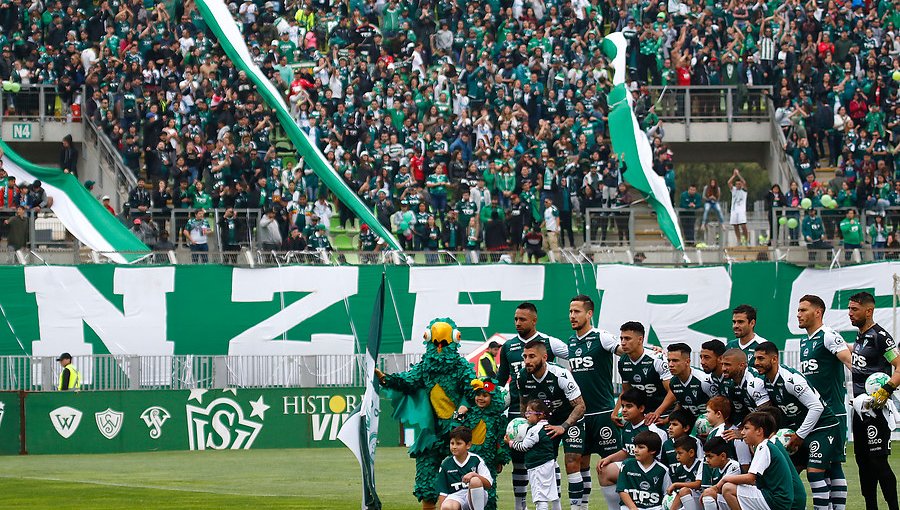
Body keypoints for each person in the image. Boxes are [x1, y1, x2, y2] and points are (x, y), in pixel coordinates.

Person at [753, 341, 844, 510]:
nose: (756, 362)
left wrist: (800, 435)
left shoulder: (790, 379)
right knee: (790, 472)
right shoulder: (765, 382)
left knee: (815, 473)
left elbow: (817, 407)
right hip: (800, 430)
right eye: (755, 358)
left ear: (774, 359)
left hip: (823, 427)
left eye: (761, 358)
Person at [567, 295, 627, 509]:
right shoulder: (571, 342)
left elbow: (624, 350)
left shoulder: (602, 337)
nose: (572, 316)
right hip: (580, 415)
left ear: (589, 313)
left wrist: (648, 351)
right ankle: (580, 507)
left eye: (577, 311)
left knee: (610, 466)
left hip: (603, 414)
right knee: (576, 462)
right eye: (571, 312)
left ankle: (623, 505)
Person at [516, 340, 585, 510]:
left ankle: (577, 508)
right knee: (548, 463)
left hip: (570, 418)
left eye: (532, 356)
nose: (527, 361)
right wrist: (525, 425)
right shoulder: (522, 376)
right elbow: (524, 405)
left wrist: (564, 426)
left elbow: (581, 406)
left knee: (571, 460)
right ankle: (557, 506)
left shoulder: (560, 375)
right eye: (525, 356)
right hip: (547, 422)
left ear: (544, 357)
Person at [847, 291, 900, 510]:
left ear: (868, 310)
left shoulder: (880, 336)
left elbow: (899, 367)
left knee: (878, 462)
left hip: (876, 410)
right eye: (849, 309)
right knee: (862, 462)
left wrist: (885, 391)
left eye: (854, 309)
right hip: (859, 409)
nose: (850, 314)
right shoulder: (860, 336)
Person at [796, 293, 852, 481]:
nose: (798, 314)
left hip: (833, 412)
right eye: (798, 310)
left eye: (803, 310)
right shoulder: (804, 341)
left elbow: (851, 362)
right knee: (821, 466)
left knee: (832, 465)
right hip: (814, 413)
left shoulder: (828, 336)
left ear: (818, 312)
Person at [597, 389, 668, 510]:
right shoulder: (627, 426)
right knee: (604, 469)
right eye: (623, 406)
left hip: (649, 471)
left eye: (629, 406)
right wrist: (608, 458)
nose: (624, 410)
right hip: (631, 466)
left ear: (641, 408)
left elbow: (660, 460)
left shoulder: (653, 430)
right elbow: (626, 451)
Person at [717, 412, 797, 510]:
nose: (742, 433)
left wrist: (725, 479)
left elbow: (750, 478)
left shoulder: (764, 447)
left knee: (728, 488)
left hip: (776, 500)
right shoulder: (765, 446)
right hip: (777, 498)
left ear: (759, 431)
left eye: (746, 428)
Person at [614, 322, 675, 426]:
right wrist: (615, 412)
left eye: (627, 339)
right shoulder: (623, 361)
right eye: (621, 339)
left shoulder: (657, 359)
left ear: (640, 340)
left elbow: (672, 392)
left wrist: (657, 413)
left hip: (663, 414)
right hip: (642, 414)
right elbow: (626, 391)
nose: (623, 343)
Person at [509, 400, 560, 510]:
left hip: (538, 467)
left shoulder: (534, 430)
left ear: (540, 414)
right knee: (552, 494)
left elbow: (524, 446)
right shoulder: (547, 427)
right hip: (549, 464)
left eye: (529, 412)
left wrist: (510, 442)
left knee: (540, 497)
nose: (526, 416)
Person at [436, 426, 492, 510]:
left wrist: (474, 474)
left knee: (475, 480)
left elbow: (488, 484)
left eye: (458, 443)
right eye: (452, 443)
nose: (454, 446)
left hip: (475, 495)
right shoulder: (446, 463)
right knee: (447, 506)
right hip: (456, 496)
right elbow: (443, 493)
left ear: (468, 445)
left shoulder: (476, 460)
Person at [616, 431, 671, 510]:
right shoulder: (627, 465)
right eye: (635, 446)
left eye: (641, 447)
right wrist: (633, 508)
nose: (635, 450)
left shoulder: (662, 470)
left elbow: (667, 494)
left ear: (652, 451)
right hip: (630, 508)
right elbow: (621, 490)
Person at [719, 348, 769, 425]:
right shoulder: (730, 383)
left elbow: (766, 416)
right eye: (722, 364)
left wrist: (742, 431)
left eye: (727, 364)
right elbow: (740, 413)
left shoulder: (754, 383)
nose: (723, 369)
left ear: (741, 365)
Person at [666, 343, 715, 418]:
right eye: (669, 361)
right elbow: (681, 404)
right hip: (690, 423)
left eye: (675, 361)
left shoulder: (704, 380)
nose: (670, 364)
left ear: (688, 362)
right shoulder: (673, 382)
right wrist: (667, 419)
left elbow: (719, 405)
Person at [704, 396, 752, 472]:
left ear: (718, 414)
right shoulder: (712, 432)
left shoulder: (736, 436)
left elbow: (745, 465)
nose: (705, 415)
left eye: (708, 412)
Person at [699, 437, 741, 510]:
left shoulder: (734, 466)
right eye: (706, 456)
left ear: (723, 456)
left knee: (708, 494)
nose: (707, 460)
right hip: (725, 501)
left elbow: (725, 489)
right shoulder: (715, 470)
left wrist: (708, 492)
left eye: (710, 457)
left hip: (738, 502)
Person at [667, 435, 703, 510]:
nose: (677, 457)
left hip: (703, 498)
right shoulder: (679, 470)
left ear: (691, 453)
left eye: (680, 453)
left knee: (684, 490)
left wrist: (676, 484)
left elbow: (698, 484)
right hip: (689, 501)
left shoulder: (701, 464)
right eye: (676, 453)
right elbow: (679, 494)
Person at [727, 169, 748, 245]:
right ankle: (738, 240)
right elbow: (729, 182)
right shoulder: (734, 190)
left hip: (741, 210)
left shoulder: (744, 191)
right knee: (735, 226)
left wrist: (738, 174)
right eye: (737, 184)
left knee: (743, 225)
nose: (738, 185)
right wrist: (734, 175)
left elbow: (744, 182)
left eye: (739, 184)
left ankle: (746, 240)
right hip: (734, 210)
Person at [542, 197, 560, 262]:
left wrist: (557, 228)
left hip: (553, 231)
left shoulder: (553, 209)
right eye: (544, 202)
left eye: (546, 202)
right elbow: (545, 220)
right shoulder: (546, 210)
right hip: (547, 231)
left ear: (550, 201)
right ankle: (550, 258)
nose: (545, 203)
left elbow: (557, 218)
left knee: (554, 246)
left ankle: (557, 259)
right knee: (545, 246)